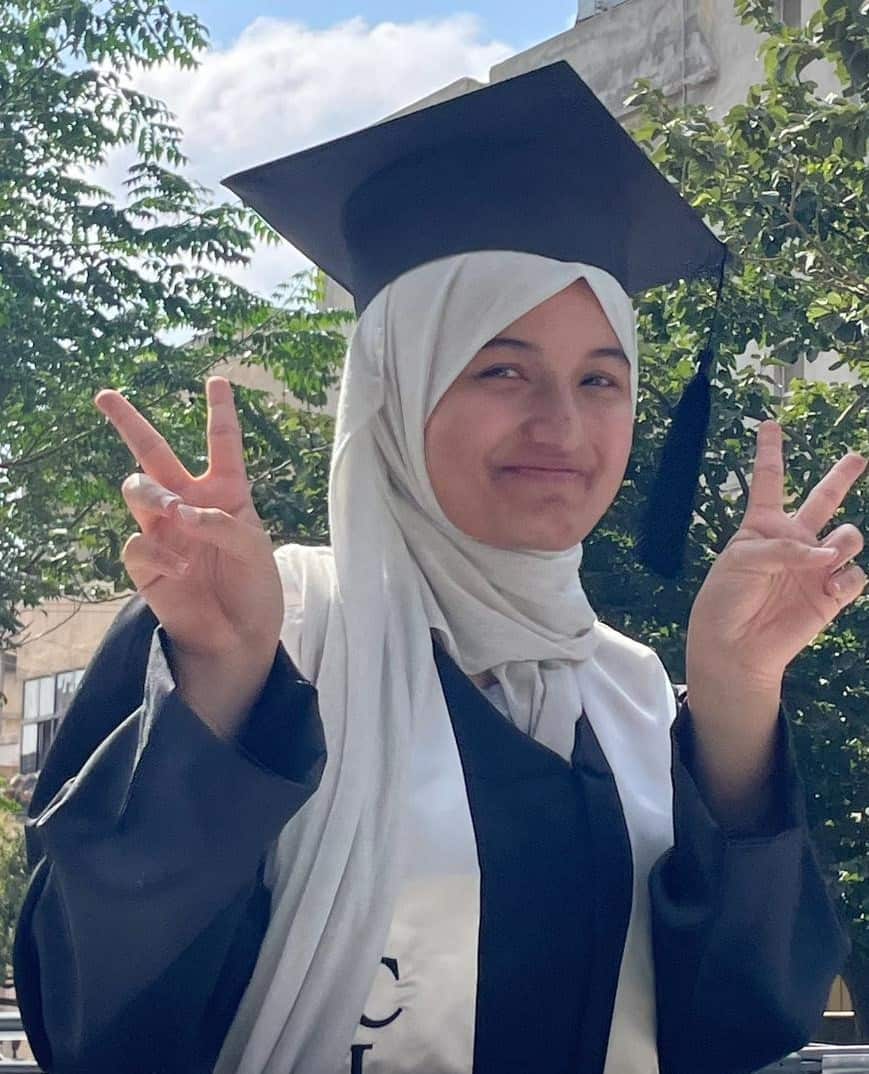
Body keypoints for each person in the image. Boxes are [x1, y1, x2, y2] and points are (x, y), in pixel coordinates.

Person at [14, 62, 862, 1074]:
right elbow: (95, 1024)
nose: (561, 423)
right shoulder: (262, 623)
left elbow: (740, 1032)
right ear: (392, 388)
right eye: (500, 368)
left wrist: (734, 693)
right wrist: (224, 686)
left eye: (600, 379)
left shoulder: (630, 691)